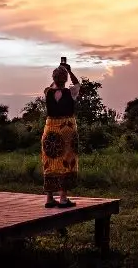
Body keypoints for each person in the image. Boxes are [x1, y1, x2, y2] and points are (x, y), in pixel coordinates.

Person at [41, 62, 81, 208]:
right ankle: (63, 198)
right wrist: (69, 71)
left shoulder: (48, 92)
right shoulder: (71, 92)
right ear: (65, 79)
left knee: (50, 161)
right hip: (67, 130)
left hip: (50, 130)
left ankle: (49, 198)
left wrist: (59, 74)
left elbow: (53, 86)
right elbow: (77, 84)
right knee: (67, 161)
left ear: (53, 78)